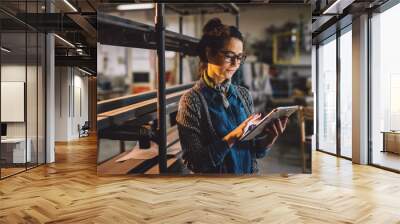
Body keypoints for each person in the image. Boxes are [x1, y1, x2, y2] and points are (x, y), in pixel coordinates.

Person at [176, 18, 288, 174]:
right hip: (217, 192)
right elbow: (195, 163)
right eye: (229, 56)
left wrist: (269, 139)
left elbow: (254, 151)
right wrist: (233, 136)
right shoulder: (191, 101)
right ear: (209, 53)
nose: (236, 63)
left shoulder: (243, 94)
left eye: (240, 57)